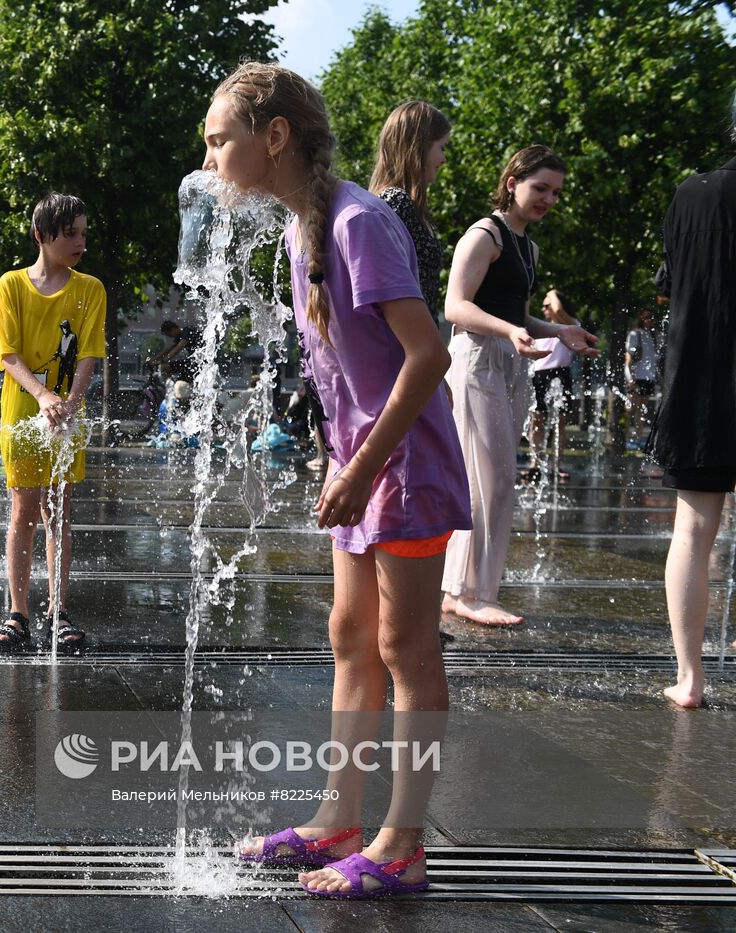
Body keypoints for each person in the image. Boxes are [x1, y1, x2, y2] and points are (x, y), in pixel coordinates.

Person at [208, 62, 469, 900]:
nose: (212, 159)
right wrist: (336, 457)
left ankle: (403, 843)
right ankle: (336, 820)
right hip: (359, 462)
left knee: (406, 646)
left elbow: (427, 356)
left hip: (404, 466)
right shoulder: (300, 230)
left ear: (273, 136)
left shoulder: (359, 222)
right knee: (349, 635)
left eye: (221, 140)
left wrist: (358, 466)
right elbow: (339, 368)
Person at [439, 146, 598, 627]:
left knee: (500, 477)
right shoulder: (484, 234)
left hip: (509, 361)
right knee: (486, 479)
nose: (549, 199)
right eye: (540, 188)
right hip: (475, 360)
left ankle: (468, 589)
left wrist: (559, 332)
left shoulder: (527, 247)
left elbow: (517, 314)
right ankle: (465, 592)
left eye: (555, 192)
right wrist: (509, 332)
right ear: (513, 183)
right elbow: (455, 307)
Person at [0, 192, 105, 653]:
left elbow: (90, 354)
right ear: (41, 235)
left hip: (65, 415)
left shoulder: (90, 288)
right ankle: (18, 612)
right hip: (22, 413)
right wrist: (42, 396)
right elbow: (8, 354)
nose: (80, 242)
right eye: (70, 234)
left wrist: (69, 404)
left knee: (59, 511)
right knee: (23, 510)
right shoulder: (11, 285)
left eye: (83, 233)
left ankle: (59, 610)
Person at [648, 104, 736, 709]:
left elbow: (671, 281)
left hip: (700, 384)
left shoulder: (690, 195)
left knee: (694, 529)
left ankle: (690, 679)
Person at [369, 100, 451, 327]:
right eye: (441, 147)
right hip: (408, 346)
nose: (443, 158)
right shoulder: (396, 202)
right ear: (419, 147)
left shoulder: (399, 203)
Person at [527, 288, 585, 470]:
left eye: (547, 305)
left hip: (561, 373)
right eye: (543, 306)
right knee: (537, 420)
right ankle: (535, 462)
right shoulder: (539, 327)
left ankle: (557, 464)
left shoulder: (571, 325)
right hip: (540, 375)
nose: (544, 309)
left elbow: (559, 311)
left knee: (560, 421)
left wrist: (552, 293)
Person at [625, 307, 660, 448]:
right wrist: (629, 378)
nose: (649, 320)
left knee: (642, 409)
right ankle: (625, 436)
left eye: (651, 317)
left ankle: (638, 437)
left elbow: (655, 359)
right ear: (640, 318)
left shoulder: (654, 335)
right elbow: (628, 358)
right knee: (630, 407)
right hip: (636, 376)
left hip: (648, 377)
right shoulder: (635, 334)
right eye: (646, 317)